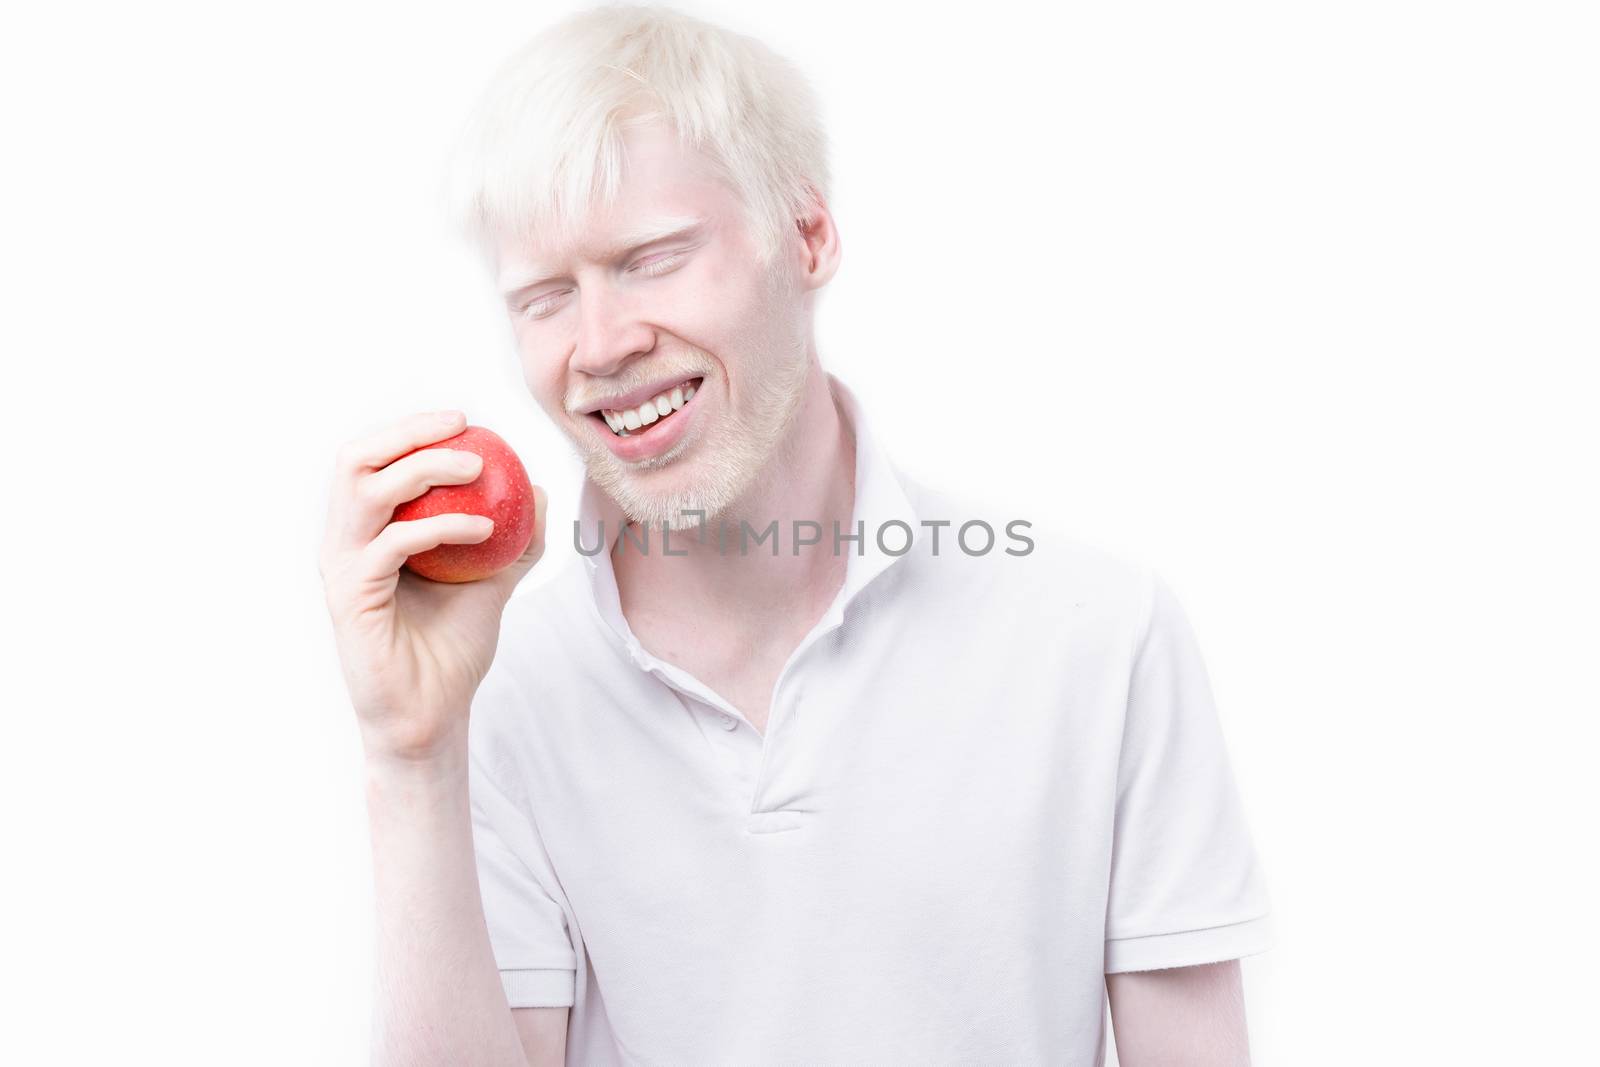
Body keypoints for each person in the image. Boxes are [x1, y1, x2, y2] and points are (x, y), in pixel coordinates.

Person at [318, 5, 1273, 1064]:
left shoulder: (1100, 636)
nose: (599, 344)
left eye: (650, 258)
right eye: (545, 296)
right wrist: (411, 758)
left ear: (807, 237)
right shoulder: (498, 689)